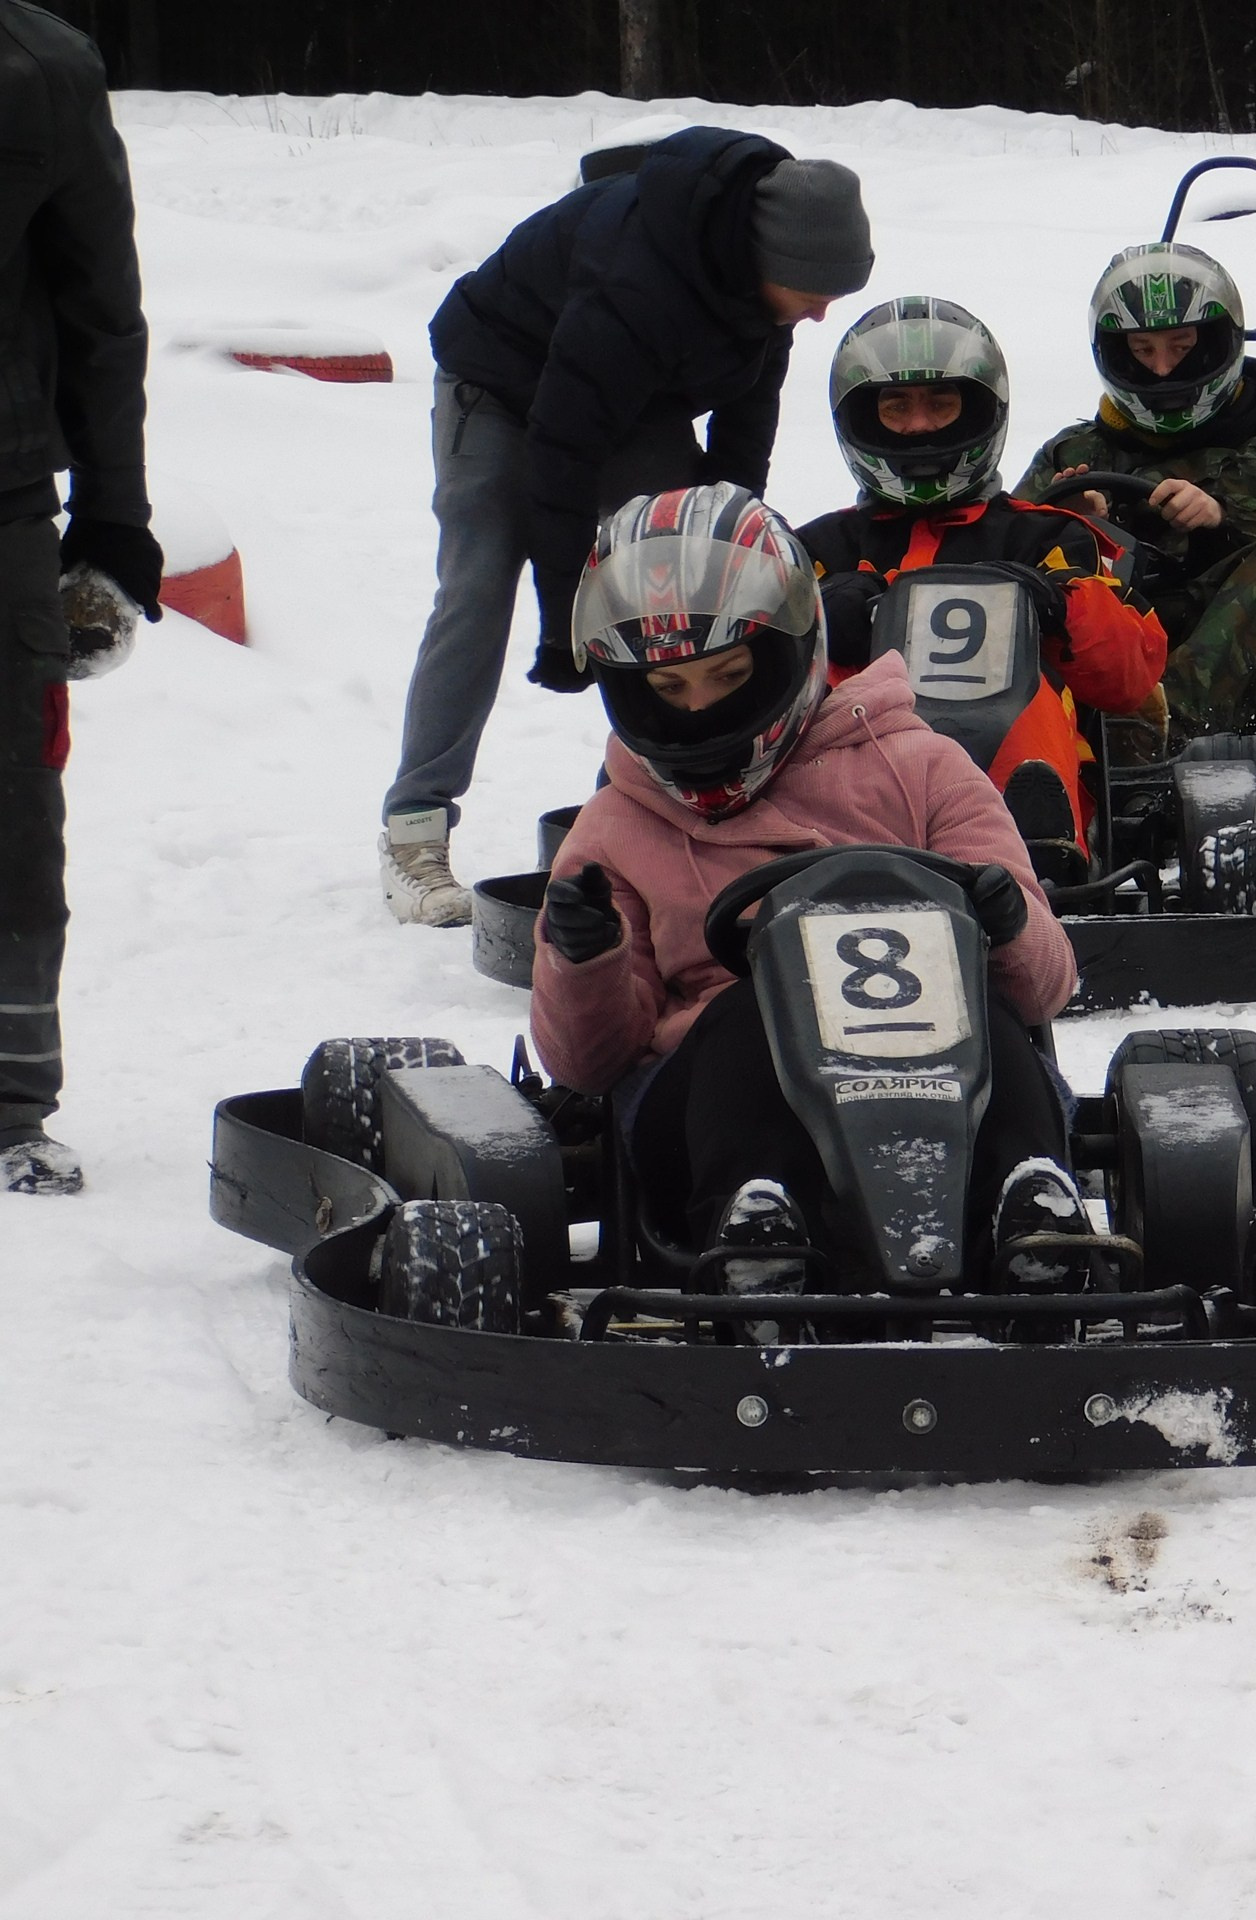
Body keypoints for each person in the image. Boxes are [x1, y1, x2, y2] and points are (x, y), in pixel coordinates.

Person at [529, 483, 1086, 1299]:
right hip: (716, 1111)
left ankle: (1030, 1205)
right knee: (754, 1006)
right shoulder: (615, 827)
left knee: (987, 1012)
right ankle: (759, 1234)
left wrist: (1004, 925)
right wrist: (586, 960)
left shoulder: (921, 766)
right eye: (668, 690)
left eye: (727, 674)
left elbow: (1046, 988)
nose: (701, 711)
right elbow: (587, 1063)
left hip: (936, 1087)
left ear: (794, 646)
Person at [379, 127, 874, 928]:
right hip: (501, 385)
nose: (820, 315)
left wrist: (730, 548)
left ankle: (720, 787)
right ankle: (415, 828)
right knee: (480, 577)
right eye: (814, 292)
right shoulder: (638, 279)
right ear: (764, 265)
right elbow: (560, 457)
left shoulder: (766, 287)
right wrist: (560, 622)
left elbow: (744, 439)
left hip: (631, 395)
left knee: (695, 576)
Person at [793, 294, 1165, 865]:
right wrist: (816, 622)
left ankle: (1038, 845)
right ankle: (819, 846)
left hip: (1011, 766)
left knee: (1031, 688)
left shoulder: (1047, 539)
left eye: (940, 405)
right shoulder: (817, 550)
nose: (919, 427)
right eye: (897, 408)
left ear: (978, 411)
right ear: (862, 419)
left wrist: (1057, 605)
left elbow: (1132, 675)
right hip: (854, 778)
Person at [1, 1, 159, 1197]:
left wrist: (112, 514)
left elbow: (102, 310)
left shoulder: (41, 70)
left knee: (9, 800)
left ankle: (7, 1101)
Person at [1018, 241, 1256, 751]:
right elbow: (995, 560)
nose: (1161, 370)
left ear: (1216, 345)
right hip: (1106, 648)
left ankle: (1152, 739)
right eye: (1143, 350)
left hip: (1232, 659)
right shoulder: (1073, 454)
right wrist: (1063, 525)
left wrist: (1224, 519)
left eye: (1181, 347)